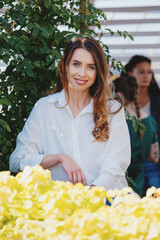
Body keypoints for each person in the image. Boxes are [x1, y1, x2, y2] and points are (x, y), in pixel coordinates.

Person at [9, 36, 131, 190]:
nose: (82, 73)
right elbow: (17, 159)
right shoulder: (44, 108)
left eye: (91, 67)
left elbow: (117, 163)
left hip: (105, 200)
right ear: (65, 66)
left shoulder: (112, 110)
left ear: (98, 71)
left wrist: (91, 194)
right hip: (60, 202)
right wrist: (59, 158)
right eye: (76, 64)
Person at [113, 76, 159, 197]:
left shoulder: (115, 122)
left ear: (119, 95)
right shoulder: (149, 121)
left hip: (116, 187)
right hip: (138, 186)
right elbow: (155, 157)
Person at [121, 55, 160, 192]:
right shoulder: (119, 100)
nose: (146, 76)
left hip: (152, 159)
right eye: (141, 72)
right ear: (130, 73)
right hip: (128, 161)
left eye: (149, 72)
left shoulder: (157, 100)